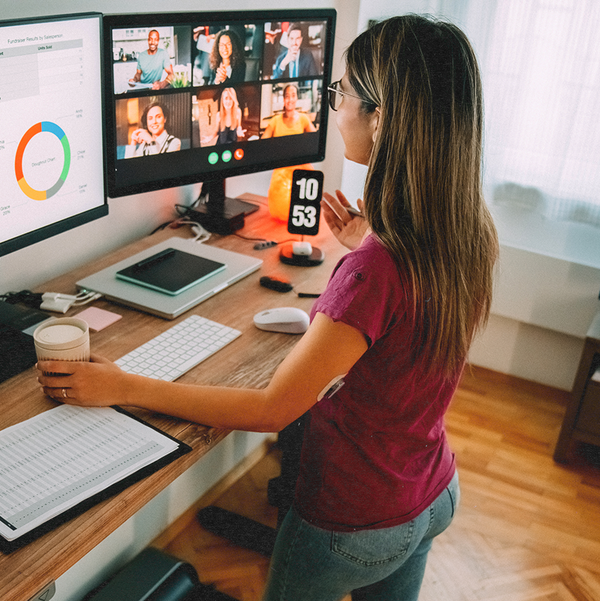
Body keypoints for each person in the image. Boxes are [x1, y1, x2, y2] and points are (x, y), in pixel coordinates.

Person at [38, 14, 497, 601]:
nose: (334, 107)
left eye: (344, 93)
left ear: (382, 119)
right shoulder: (466, 234)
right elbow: (406, 317)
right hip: (431, 493)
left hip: (353, 522)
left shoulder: (376, 271)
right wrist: (368, 241)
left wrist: (123, 384)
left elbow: (273, 408)